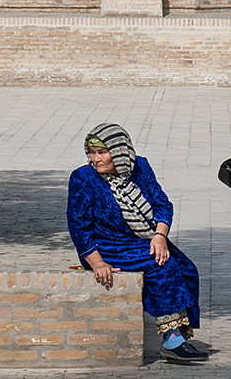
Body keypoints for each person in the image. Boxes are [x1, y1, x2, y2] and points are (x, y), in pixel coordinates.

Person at [67, 123, 207, 362]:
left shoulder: (140, 167)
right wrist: (97, 262)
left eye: (102, 152)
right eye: (92, 152)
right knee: (162, 266)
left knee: (187, 268)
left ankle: (180, 332)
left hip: (143, 239)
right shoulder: (84, 178)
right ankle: (171, 340)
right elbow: (78, 226)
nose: (95, 159)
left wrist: (160, 236)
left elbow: (162, 204)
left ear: (119, 151)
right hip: (108, 245)